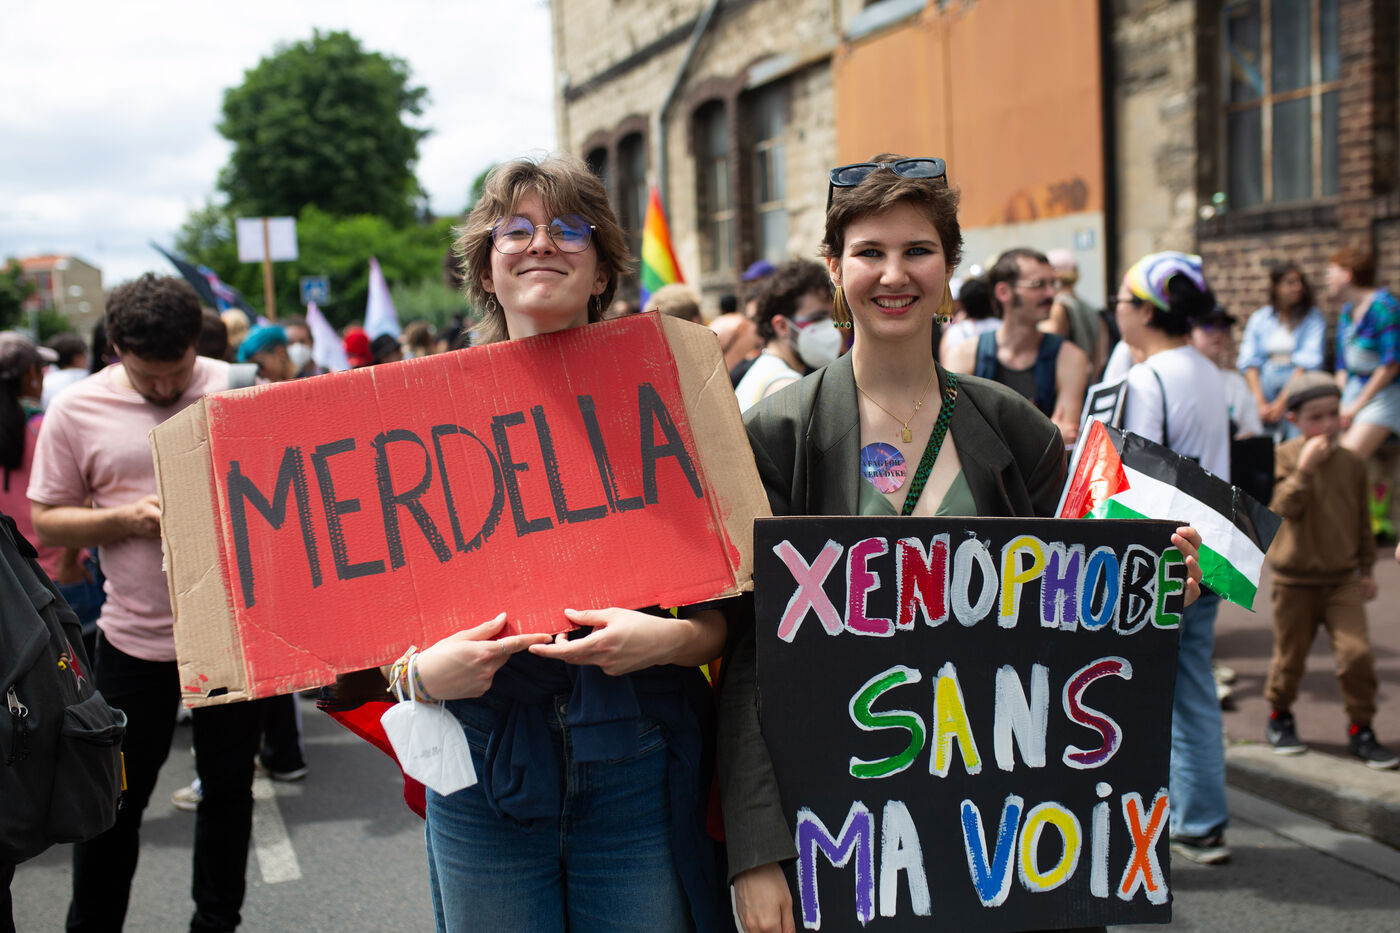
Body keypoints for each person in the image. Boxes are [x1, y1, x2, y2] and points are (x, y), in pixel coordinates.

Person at [719, 155, 1203, 933]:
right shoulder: (779, 433)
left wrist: (1152, 586)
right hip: (848, 841)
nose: (894, 274)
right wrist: (757, 849)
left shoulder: (1013, 427)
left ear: (948, 268)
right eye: (870, 251)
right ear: (836, 268)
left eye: (918, 250)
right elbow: (751, 656)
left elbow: (1083, 619)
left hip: (1008, 840)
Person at [386, 154, 728, 933]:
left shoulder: (672, 397)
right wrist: (420, 675)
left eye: (570, 228)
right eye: (516, 229)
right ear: (486, 267)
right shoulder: (418, 416)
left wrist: (667, 641)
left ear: (603, 270)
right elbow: (368, 629)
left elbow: (723, 622)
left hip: (638, 762)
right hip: (482, 768)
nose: (541, 242)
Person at [27, 274, 263, 932]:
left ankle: (216, 922)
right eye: (147, 377)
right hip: (133, 642)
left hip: (235, 640)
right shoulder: (76, 410)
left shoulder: (240, 387)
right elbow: (47, 520)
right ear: (115, 348)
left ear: (197, 345)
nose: (164, 390)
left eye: (178, 373)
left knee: (228, 795)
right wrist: (127, 518)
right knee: (113, 803)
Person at [1114, 250, 1232, 866]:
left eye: (1122, 301)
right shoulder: (1208, 368)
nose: (1116, 312)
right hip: (1214, 548)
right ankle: (1202, 818)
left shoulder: (1148, 378)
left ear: (1145, 311)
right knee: (1194, 685)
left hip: (1165, 553)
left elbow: (1138, 474)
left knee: (1153, 691)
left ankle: (1185, 820)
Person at [1263, 373, 1398, 769]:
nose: (1327, 425)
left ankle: (1362, 728)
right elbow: (1279, 510)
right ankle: (1279, 715)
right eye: (1315, 417)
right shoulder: (1284, 456)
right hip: (1294, 580)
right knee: (1290, 658)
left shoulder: (1352, 463)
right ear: (1293, 419)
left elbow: (1361, 522)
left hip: (1341, 580)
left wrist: (1367, 568)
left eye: (1334, 415)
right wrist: (1305, 469)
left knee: (1357, 656)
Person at [0, 333, 101, 662]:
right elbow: (85, 501)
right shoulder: (47, 428)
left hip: (11, 587)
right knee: (84, 679)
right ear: (30, 375)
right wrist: (69, 562)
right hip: (65, 577)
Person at [946, 248, 1089, 445]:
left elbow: (1067, 437)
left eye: (1052, 283)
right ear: (1003, 292)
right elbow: (956, 434)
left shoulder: (1069, 357)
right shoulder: (965, 355)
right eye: (1038, 285)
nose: (1051, 293)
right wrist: (1045, 432)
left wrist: (991, 431)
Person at [734, 259, 839, 413]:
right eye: (817, 318)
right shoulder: (787, 388)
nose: (830, 327)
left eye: (831, 318)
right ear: (782, 326)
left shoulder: (766, 370)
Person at [1237, 262, 1327, 441]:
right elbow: (1249, 361)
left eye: (1300, 282)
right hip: (1265, 387)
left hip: (1296, 388)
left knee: (1294, 441)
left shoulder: (1312, 318)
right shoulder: (1261, 318)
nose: (1298, 287)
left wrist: (1282, 403)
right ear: (1276, 287)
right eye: (1290, 282)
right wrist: (1260, 403)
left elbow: (1309, 362)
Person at [1328, 247, 1400, 464]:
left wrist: (1355, 407)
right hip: (1352, 392)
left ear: (1347, 274)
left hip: (1384, 395)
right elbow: (1342, 365)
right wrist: (1340, 404)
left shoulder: (1385, 307)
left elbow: (1391, 364)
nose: (1327, 279)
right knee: (1328, 452)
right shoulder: (1347, 311)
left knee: (1346, 461)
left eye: (1331, 272)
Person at [1190, 307, 1263, 439]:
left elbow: (1253, 429)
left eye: (1223, 327)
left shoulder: (1236, 382)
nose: (1217, 333)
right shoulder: (1182, 379)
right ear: (1189, 333)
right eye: (1208, 326)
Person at [1043, 247, 1109, 380]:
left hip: (1065, 380)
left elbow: (1047, 347)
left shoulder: (1059, 307)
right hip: (1086, 381)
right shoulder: (1092, 310)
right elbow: (1100, 355)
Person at [937, 274, 998, 367]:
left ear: (962, 301)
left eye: (954, 300)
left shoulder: (954, 332)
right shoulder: (1002, 326)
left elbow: (945, 365)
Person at [42, 332, 90, 410]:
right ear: (77, 357)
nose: (87, 359)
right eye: (84, 354)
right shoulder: (89, 377)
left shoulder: (45, 381)